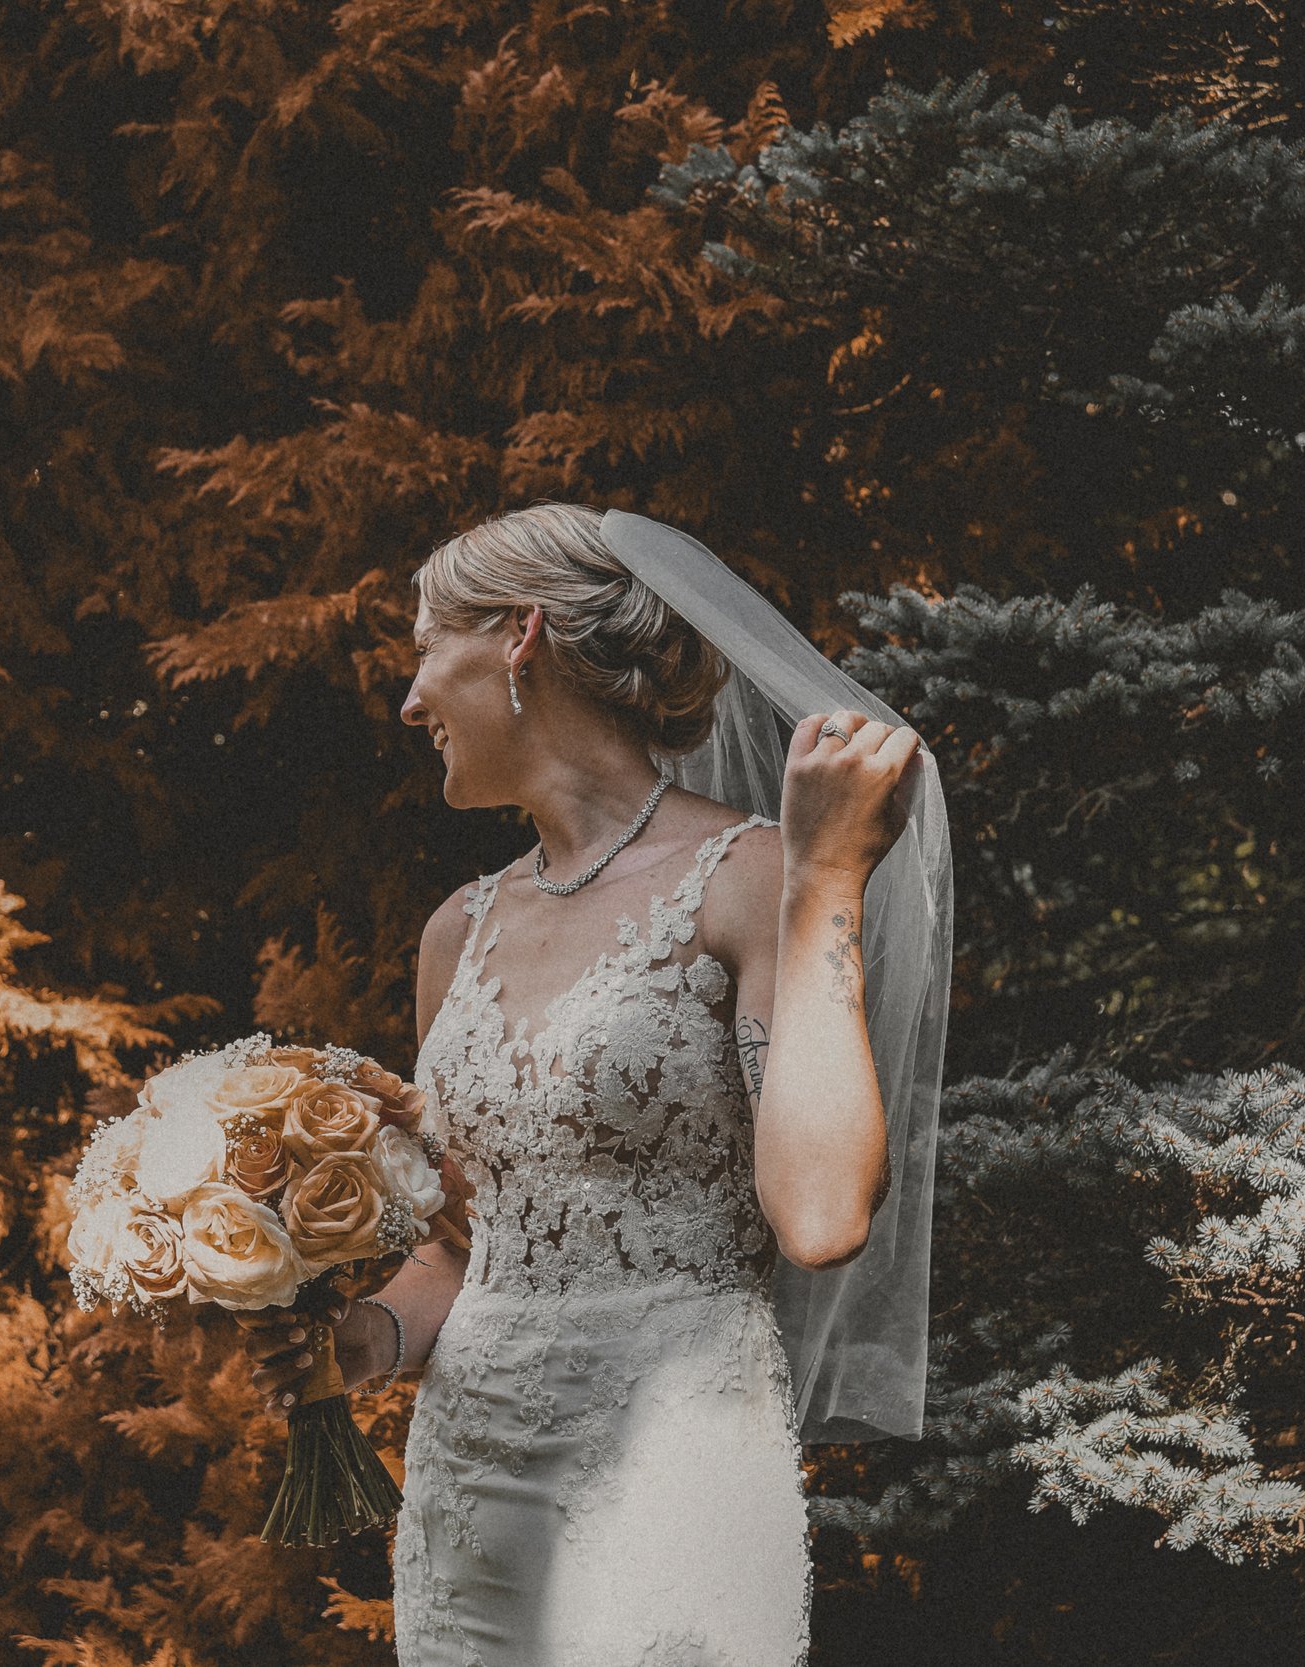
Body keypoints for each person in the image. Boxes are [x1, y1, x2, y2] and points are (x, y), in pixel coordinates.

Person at [241, 502, 926, 1666]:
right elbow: (462, 1246)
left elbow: (819, 1215)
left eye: (425, 649)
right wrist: (355, 1341)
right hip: (470, 1497)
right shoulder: (457, 930)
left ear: (518, 636)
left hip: (674, 1474)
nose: (408, 701)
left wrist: (827, 882)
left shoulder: (752, 874)